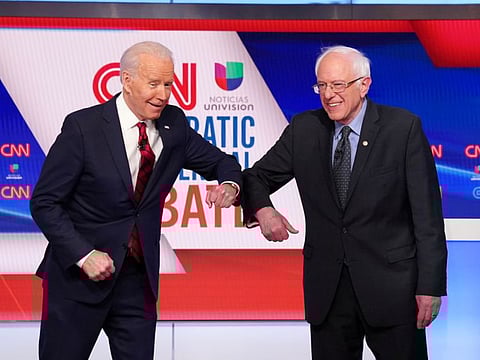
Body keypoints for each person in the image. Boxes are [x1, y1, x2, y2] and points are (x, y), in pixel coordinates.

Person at [30, 41, 242, 360]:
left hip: (137, 283)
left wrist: (229, 185)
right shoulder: (83, 128)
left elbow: (222, 161)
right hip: (78, 280)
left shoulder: (174, 125)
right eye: (153, 83)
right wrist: (83, 254)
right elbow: (45, 202)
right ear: (126, 80)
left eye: (168, 84)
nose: (163, 94)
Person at [242, 45, 447, 360]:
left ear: (364, 85)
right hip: (329, 291)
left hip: (392, 290)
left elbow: (428, 217)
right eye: (321, 86)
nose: (328, 95)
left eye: (338, 85)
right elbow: (256, 177)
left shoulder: (402, 128)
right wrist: (264, 209)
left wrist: (430, 287)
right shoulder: (304, 129)